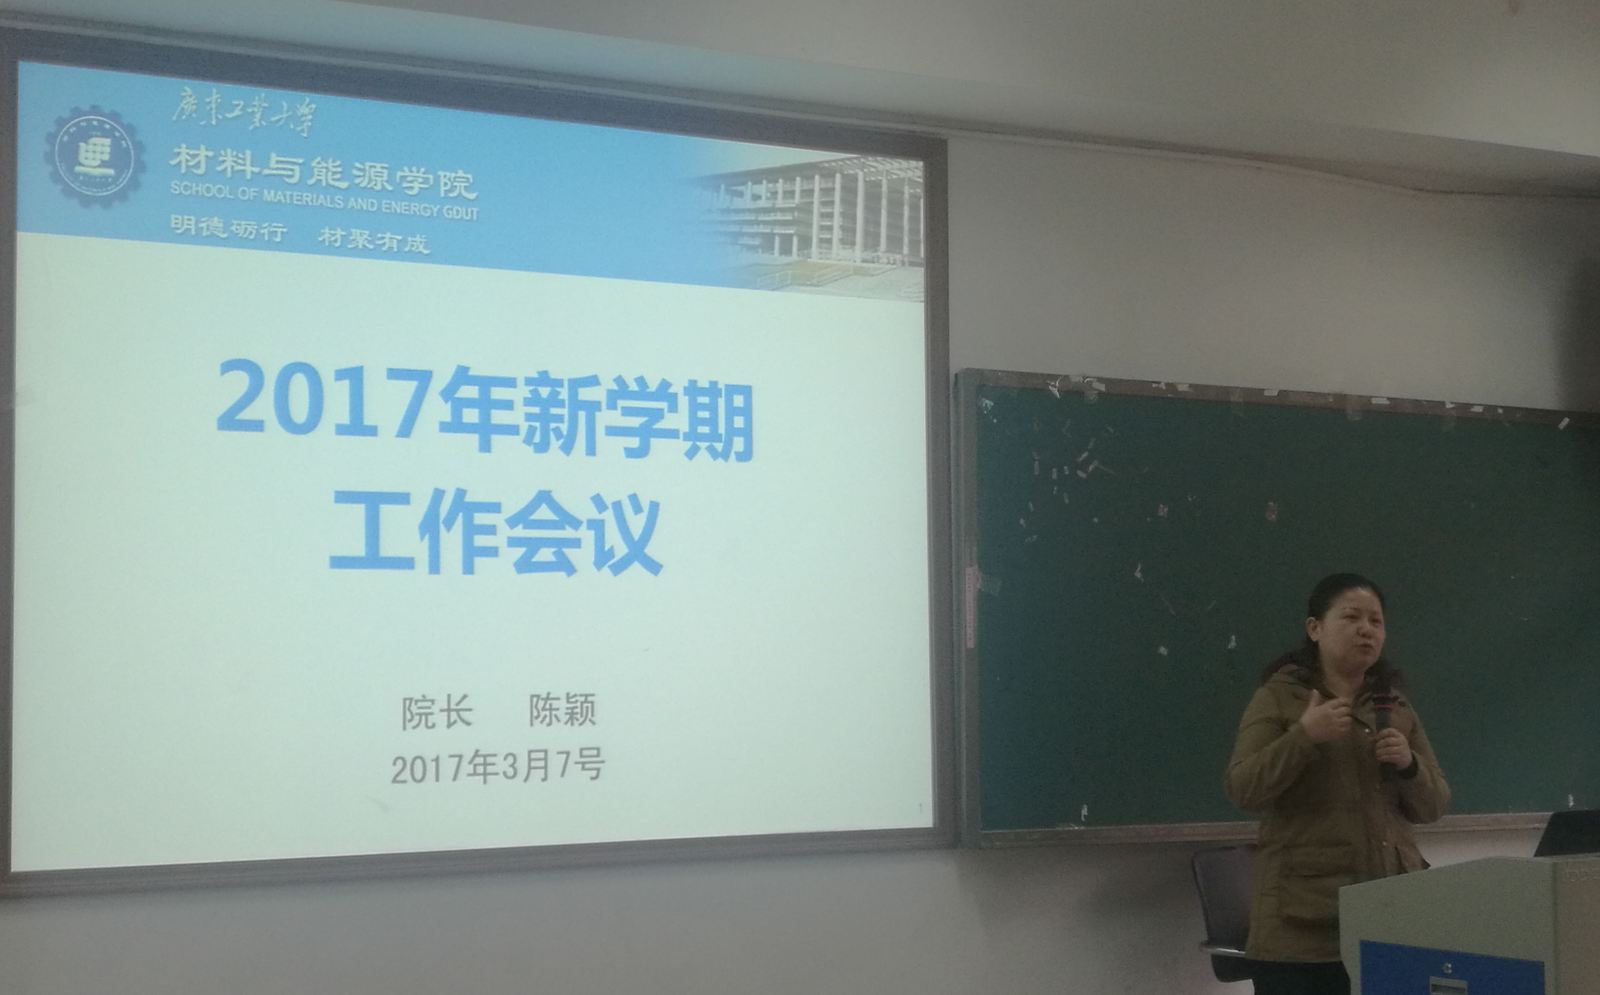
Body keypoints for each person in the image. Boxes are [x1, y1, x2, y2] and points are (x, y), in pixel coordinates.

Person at [1225, 573, 1450, 995]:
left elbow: (1435, 805)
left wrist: (1408, 764)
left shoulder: (1393, 703)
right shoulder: (1280, 697)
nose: (1367, 629)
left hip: (1391, 919)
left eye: (1376, 621)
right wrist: (1304, 737)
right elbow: (1243, 787)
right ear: (1315, 628)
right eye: (1351, 617)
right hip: (1303, 931)